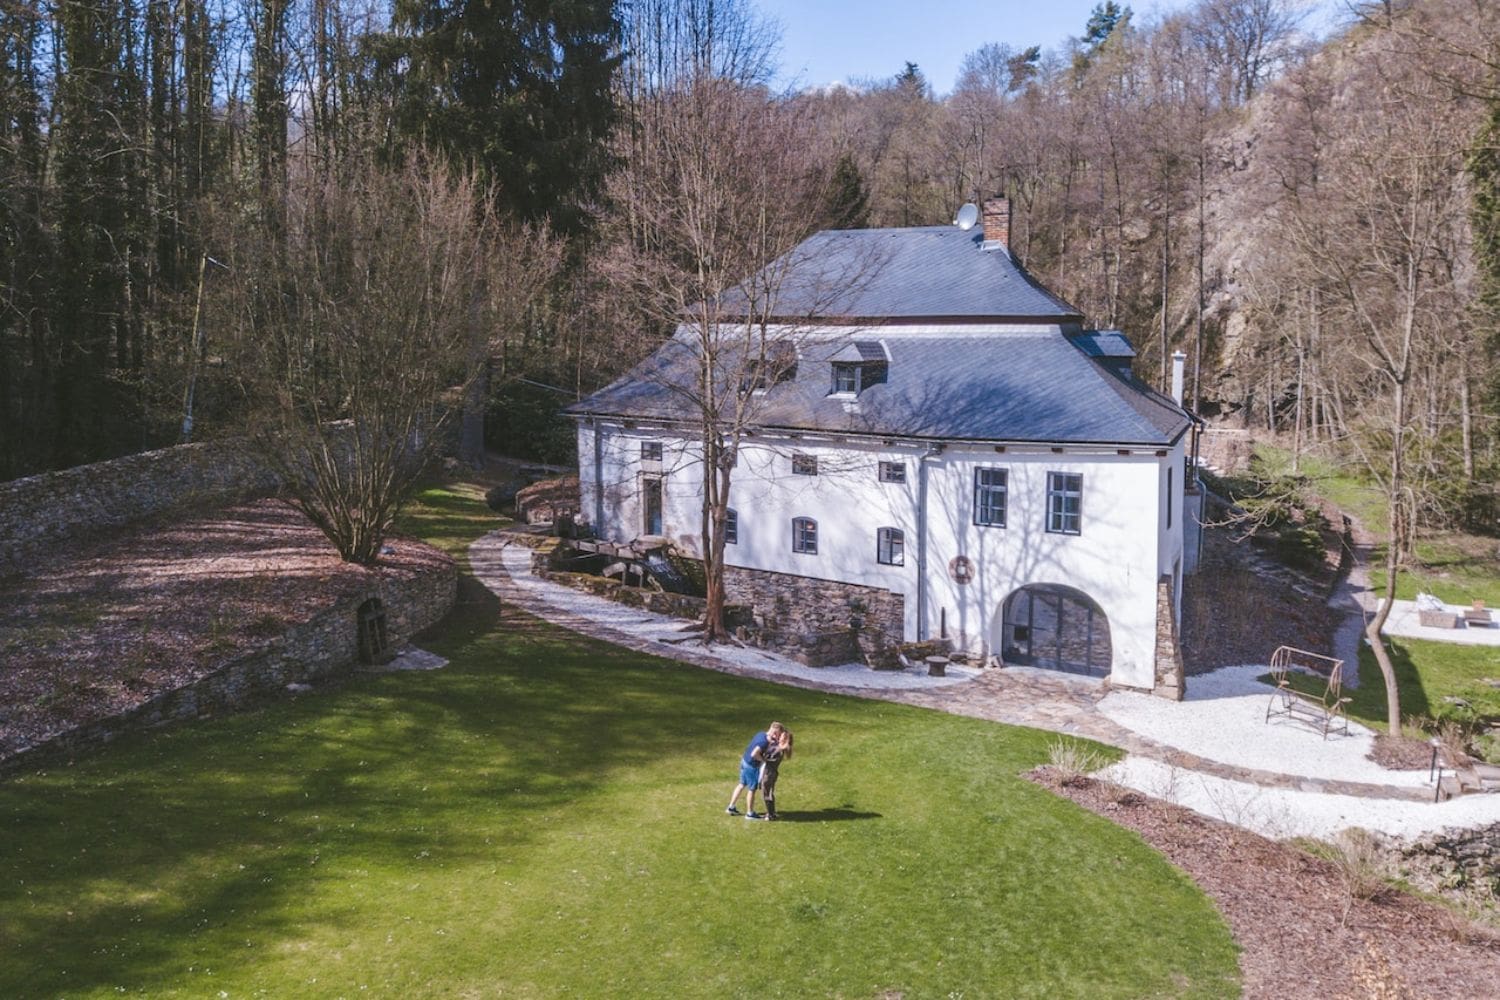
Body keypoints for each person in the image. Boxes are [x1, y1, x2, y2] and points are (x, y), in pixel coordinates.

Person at [725, 722, 783, 819]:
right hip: (751, 766)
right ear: (775, 732)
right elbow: (754, 754)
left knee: (741, 784)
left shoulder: (761, 734)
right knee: (752, 789)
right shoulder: (764, 742)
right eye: (778, 734)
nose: (778, 737)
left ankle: (731, 807)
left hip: (744, 761)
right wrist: (763, 760)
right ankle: (750, 813)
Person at [758, 728, 792, 821]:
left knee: (767, 793)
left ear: (784, 739)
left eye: (781, 736)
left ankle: (770, 815)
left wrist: (762, 756)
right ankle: (771, 812)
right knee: (768, 792)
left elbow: (769, 758)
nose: (779, 736)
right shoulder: (777, 745)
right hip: (769, 772)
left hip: (769, 773)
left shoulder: (780, 750)